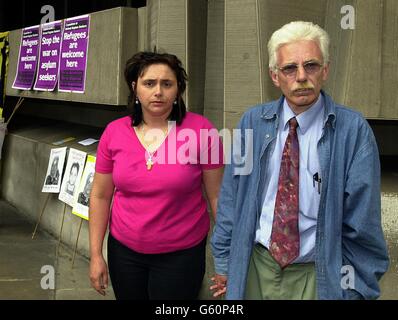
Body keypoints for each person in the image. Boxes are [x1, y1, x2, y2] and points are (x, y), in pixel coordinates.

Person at [210, 21, 389, 300]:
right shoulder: (251, 123)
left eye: (312, 65)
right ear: (274, 76)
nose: (302, 76)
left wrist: (354, 290)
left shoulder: (352, 131)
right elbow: (231, 200)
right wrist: (225, 263)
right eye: (290, 68)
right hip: (256, 268)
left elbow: (363, 225)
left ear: (326, 70)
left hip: (317, 275)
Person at [89, 51, 224, 300]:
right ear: (135, 87)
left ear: (178, 90)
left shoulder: (202, 130)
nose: (158, 91)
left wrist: (227, 256)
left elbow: (217, 198)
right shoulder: (114, 132)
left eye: (167, 84)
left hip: (181, 255)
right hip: (124, 253)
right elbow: (99, 196)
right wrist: (96, 255)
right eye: (149, 83)